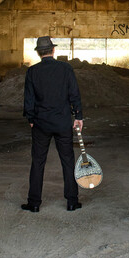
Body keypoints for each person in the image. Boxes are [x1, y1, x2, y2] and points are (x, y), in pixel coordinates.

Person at [22, 36, 83, 212]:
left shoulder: (32, 72)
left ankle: (34, 203)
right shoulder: (65, 69)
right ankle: (72, 201)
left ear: (39, 53)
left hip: (41, 124)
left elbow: (29, 99)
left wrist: (31, 119)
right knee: (68, 161)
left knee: (38, 162)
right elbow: (74, 94)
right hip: (63, 123)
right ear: (53, 50)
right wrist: (78, 116)